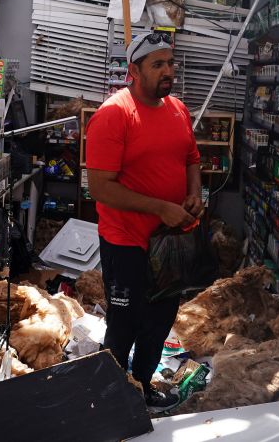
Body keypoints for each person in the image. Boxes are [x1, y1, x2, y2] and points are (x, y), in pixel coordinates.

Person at [85, 32, 202, 411]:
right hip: (127, 240)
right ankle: (109, 399)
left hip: (169, 240)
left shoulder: (178, 109)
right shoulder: (113, 115)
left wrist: (194, 193)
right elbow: (100, 188)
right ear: (133, 71)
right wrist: (159, 207)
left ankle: (144, 388)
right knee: (124, 323)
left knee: (159, 320)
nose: (168, 71)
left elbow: (191, 159)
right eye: (158, 65)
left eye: (170, 63)